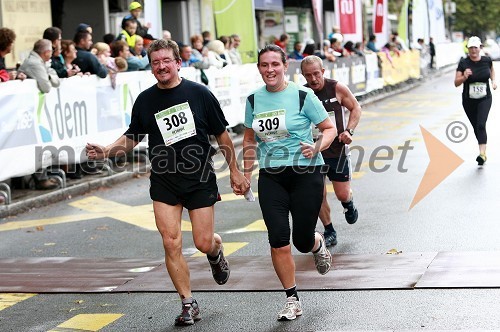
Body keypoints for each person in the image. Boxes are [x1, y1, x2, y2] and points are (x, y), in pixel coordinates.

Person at [86, 39, 249, 326]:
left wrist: (234, 171)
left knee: (202, 242)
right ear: (151, 68)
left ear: (178, 63)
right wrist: (107, 150)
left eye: (166, 61)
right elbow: (132, 137)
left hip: (199, 177)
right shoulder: (146, 100)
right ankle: (188, 303)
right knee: (170, 241)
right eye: (156, 62)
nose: (161, 66)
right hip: (164, 180)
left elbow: (222, 135)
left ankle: (215, 248)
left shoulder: (199, 94)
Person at [242, 44, 336, 321]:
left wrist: (318, 146)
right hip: (271, 175)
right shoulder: (253, 100)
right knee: (279, 240)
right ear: (259, 68)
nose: (269, 70)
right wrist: (245, 175)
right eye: (264, 65)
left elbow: (328, 129)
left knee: (301, 240)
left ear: (285, 66)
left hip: (306, 173)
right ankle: (292, 299)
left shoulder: (302, 96)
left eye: (275, 64)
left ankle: (317, 243)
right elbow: (249, 139)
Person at [301, 55, 361, 247]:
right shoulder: (301, 93)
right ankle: (329, 230)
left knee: (342, 193)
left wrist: (349, 131)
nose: (313, 79)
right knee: (318, 194)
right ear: (303, 75)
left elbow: (356, 108)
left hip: (337, 151)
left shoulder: (337, 88)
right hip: (313, 153)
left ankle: (348, 203)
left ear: (323, 72)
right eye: (308, 75)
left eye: (316, 74)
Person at [454, 36, 497, 165]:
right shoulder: (463, 63)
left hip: (485, 98)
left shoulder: (487, 60)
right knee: (476, 126)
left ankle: (482, 154)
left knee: (481, 125)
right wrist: (464, 77)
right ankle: (482, 148)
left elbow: (492, 71)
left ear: (480, 48)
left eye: (475, 47)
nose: (473, 50)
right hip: (469, 100)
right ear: (468, 49)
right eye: (471, 48)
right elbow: (456, 83)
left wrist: (493, 81)